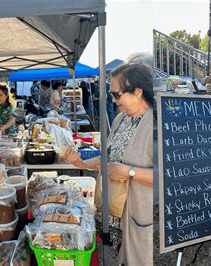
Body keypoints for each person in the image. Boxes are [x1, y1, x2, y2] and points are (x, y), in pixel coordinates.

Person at [65, 63, 153, 265]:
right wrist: (81, 162)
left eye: (116, 94)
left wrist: (128, 172)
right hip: (113, 213)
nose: (113, 101)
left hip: (137, 215)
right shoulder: (121, 119)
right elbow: (107, 157)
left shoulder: (154, 122)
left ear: (138, 92)